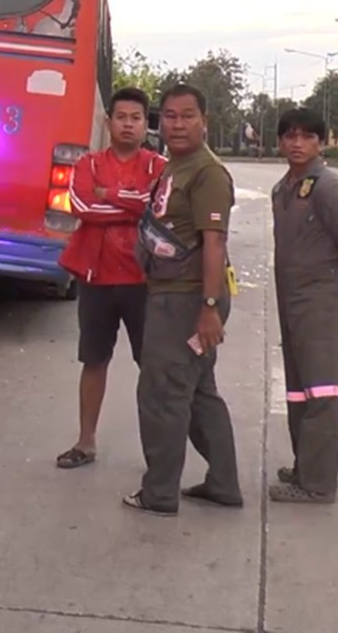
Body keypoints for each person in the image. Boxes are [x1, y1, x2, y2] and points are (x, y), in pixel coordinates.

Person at [125, 83, 242, 515]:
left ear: (204, 122)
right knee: (197, 393)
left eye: (187, 115)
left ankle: (158, 494)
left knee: (162, 394)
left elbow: (214, 243)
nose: (177, 124)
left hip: (186, 301)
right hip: (177, 296)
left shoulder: (207, 173)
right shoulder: (176, 166)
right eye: (170, 116)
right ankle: (223, 483)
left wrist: (209, 309)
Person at [54, 87, 166, 469]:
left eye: (136, 118)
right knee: (94, 360)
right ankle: (85, 443)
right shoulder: (87, 163)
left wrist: (109, 194)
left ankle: (158, 454)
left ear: (144, 124)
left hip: (143, 280)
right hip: (96, 278)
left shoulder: (157, 166)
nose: (128, 125)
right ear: (109, 121)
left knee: (151, 366)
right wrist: (129, 202)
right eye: (121, 117)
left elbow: (155, 208)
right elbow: (82, 206)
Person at [269, 108, 338, 504]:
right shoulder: (284, 188)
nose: (297, 144)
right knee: (298, 392)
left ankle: (318, 484)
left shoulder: (327, 187)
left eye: (307, 136)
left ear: (320, 143)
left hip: (320, 303)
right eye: (290, 136)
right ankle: (305, 466)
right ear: (280, 141)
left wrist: (333, 281)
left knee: (322, 393)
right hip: (292, 301)